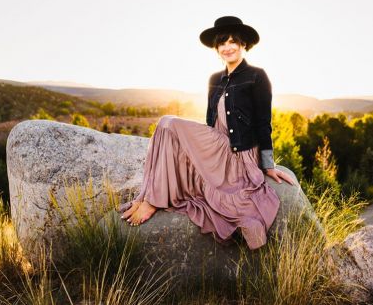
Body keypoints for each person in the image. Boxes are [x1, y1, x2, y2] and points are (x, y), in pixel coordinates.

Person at [120, 16, 296, 249]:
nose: (227, 47)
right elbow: (210, 121)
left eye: (233, 41)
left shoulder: (257, 76)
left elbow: (264, 123)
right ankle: (150, 197)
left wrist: (268, 164)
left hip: (239, 154)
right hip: (218, 147)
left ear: (243, 44)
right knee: (167, 127)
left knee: (167, 122)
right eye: (222, 43)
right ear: (216, 48)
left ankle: (153, 200)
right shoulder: (214, 79)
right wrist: (200, 155)